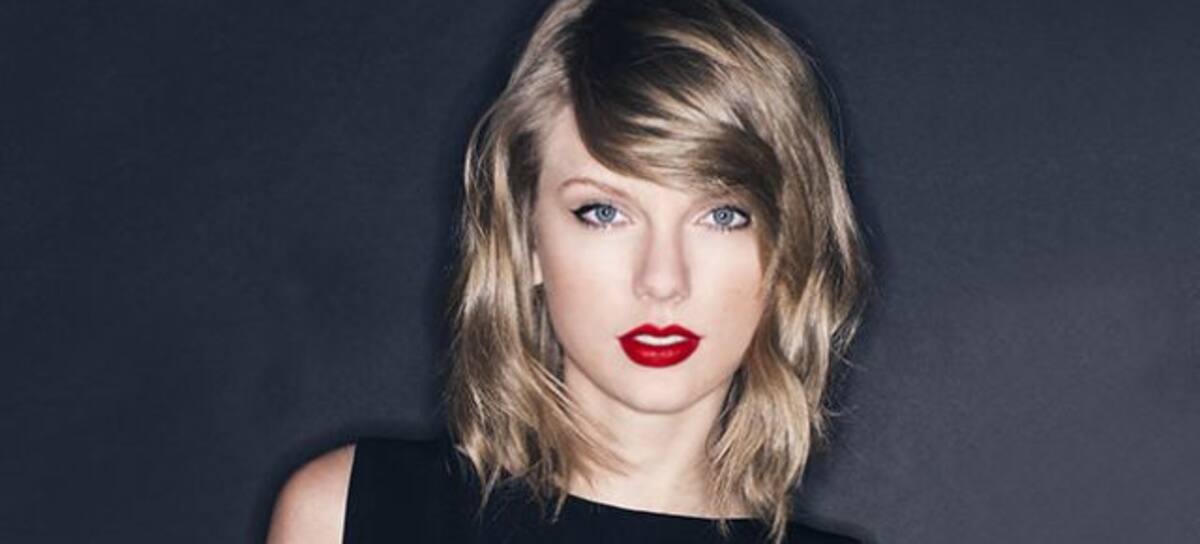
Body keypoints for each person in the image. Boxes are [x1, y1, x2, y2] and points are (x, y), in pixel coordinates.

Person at [267, 0, 871, 542]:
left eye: (721, 216)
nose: (663, 280)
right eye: (604, 212)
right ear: (527, 237)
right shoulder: (349, 516)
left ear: (788, 249)